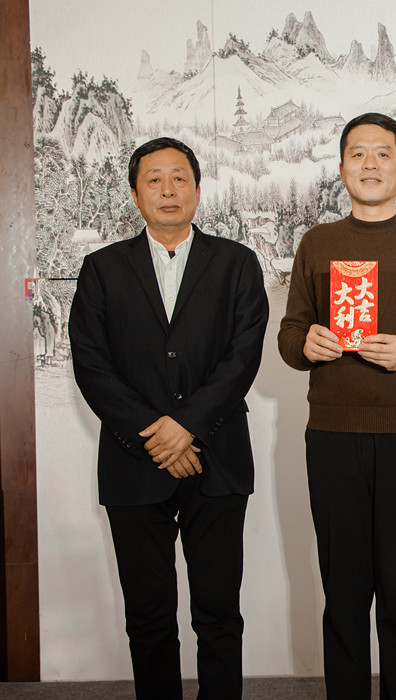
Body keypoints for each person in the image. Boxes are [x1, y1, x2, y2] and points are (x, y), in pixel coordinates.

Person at [277, 112, 396, 700]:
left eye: (383, 153)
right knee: (343, 590)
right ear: (341, 169)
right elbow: (289, 335)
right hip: (332, 436)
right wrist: (306, 344)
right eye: (358, 153)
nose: (370, 164)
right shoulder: (318, 243)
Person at [69, 137, 269, 699]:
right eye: (153, 179)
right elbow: (92, 365)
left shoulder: (236, 263)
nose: (167, 189)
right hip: (134, 463)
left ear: (198, 191)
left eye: (179, 178)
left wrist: (187, 427)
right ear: (135, 194)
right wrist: (156, 436)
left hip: (217, 457)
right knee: (148, 615)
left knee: (218, 612)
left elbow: (243, 356)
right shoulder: (102, 268)